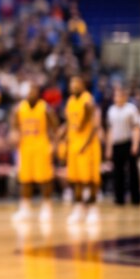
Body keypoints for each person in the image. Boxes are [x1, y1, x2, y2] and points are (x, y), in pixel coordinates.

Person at [11, 84, 58, 222]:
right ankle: (25, 208)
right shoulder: (18, 108)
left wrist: (54, 145)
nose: (31, 93)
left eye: (33, 90)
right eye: (28, 91)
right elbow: (14, 126)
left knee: (45, 179)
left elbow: (55, 127)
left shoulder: (45, 108)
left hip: (41, 145)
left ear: (38, 92)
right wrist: (14, 135)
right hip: (25, 146)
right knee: (25, 179)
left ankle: (47, 207)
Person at [60, 76, 102, 225]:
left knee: (90, 180)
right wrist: (62, 136)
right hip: (73, 144)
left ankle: (93, 209)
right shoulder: (70, 102)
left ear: (83, 84)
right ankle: (78, 209)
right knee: (75, 180)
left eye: (77, 83)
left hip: (88, 145)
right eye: (71, 84)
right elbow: (69, 123)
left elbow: (95, 125)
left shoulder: (88, 101)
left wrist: (86, 143)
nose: (74, 86)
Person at [105, 86, 140, 206]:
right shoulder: (111, 110)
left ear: (125, 97)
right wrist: (109, 147)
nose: (117, 98)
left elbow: (136, 128)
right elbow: (110, 130)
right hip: (116, 144)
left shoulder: (131, 109)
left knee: (132, 171)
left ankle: (135, 198)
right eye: (115, 96)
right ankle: (119, 198)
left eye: (119, 95)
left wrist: (135, 144)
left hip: (128, 142)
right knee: (118, 172)